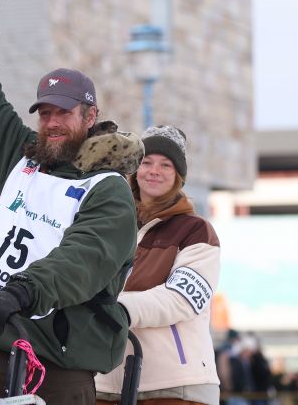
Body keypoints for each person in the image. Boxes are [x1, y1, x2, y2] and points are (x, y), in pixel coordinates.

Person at [0, 0, 143, 404]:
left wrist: (20, 291)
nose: (52, 123)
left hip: (54, 365)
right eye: (45, 113)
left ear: (90, 116)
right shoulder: (22, 159)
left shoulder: (108, 190)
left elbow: (82, 259)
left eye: (63, 112)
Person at [95, 125, 222, 405]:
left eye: (166, 165)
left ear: (178, 176)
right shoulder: (109, 225)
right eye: (146, 162)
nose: (154, 170)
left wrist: (119, 309)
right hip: (103, 380)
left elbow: (182, 299)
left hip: (175, 386)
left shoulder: (197, 231)